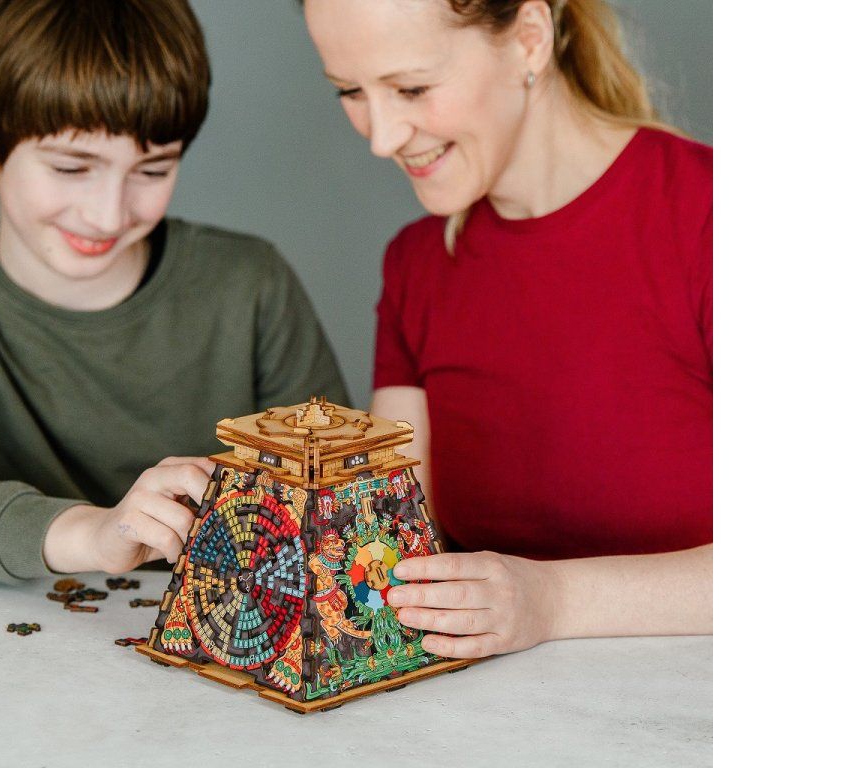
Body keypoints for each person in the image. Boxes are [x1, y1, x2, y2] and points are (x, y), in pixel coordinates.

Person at [302, 0, 712, 657]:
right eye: (350, 91)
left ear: (529, 40)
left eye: (412, 88)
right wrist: (228, 515)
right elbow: (380, 549)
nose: (381, 137)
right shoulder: (417, 266)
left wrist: (551, 601)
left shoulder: (711, 216)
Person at [0, 0, 348, 584]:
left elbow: (334, 498)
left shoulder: (250, 284)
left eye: (153, 170)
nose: (108, 214)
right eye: (71, 168)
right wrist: (96, 534)